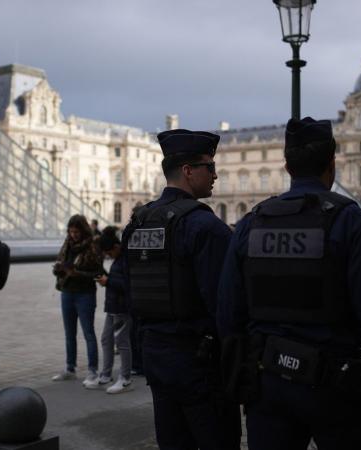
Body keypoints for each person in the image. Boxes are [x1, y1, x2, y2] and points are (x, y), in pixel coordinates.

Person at [217, 117, 361, 450]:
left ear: (286, 165)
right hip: (336, 385)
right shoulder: (353, 222)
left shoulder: (251, 223)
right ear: (332, 164)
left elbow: (227, 313)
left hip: (268, 384)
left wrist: (242, 379)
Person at [123, 128, 240, 449]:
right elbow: (225, 307)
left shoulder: (139, 223)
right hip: (199, 363)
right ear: (188, 171)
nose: (216, 175)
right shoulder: (206, 227)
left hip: (156, 357)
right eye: (210, 167)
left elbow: (126, 294)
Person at [52, 214, 103, 387]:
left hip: (85, 294)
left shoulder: (92, 246)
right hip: (67, 291)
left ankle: (93, 371)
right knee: (69, 333)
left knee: (88, 333)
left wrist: (77, 273)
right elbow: (60, 261)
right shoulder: (67, 244)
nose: (73, 235)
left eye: (76, 232)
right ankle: (70, 368)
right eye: (70, 231)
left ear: (83, 230)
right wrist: (59, 269)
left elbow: (98, 273)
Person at [95, 226, 134, 394]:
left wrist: (107, 281)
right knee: (106, 339)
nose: (108, 256)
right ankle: (106, 374)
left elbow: (128, 285)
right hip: (113, 306)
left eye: (109, 253)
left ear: (117, 247)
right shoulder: (119, 259)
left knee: (122, 342)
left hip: (122, 307)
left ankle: (125, 378)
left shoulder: (126, 260)